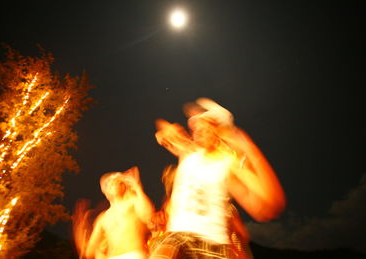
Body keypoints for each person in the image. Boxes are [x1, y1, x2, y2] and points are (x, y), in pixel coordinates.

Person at [149, 98, 286, 259]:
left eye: (205, 124)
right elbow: (164, 129)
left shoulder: (229, 165)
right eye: (195, 125)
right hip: (178, 237)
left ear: (220, 131)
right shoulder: (189, 153)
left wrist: (249, 148)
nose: (197, 128)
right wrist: (167, 131)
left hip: (211, 243)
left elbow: (269, 207)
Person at [73, 166, 155, 259]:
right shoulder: (102, 218)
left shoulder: (133, 202)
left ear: (122, 185)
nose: (111, 184)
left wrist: (137, 188)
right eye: (108, 183)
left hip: (134, 255)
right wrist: (79, 228)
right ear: (104, 190)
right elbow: (89, 251)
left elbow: (148, 216)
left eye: (114, 181)